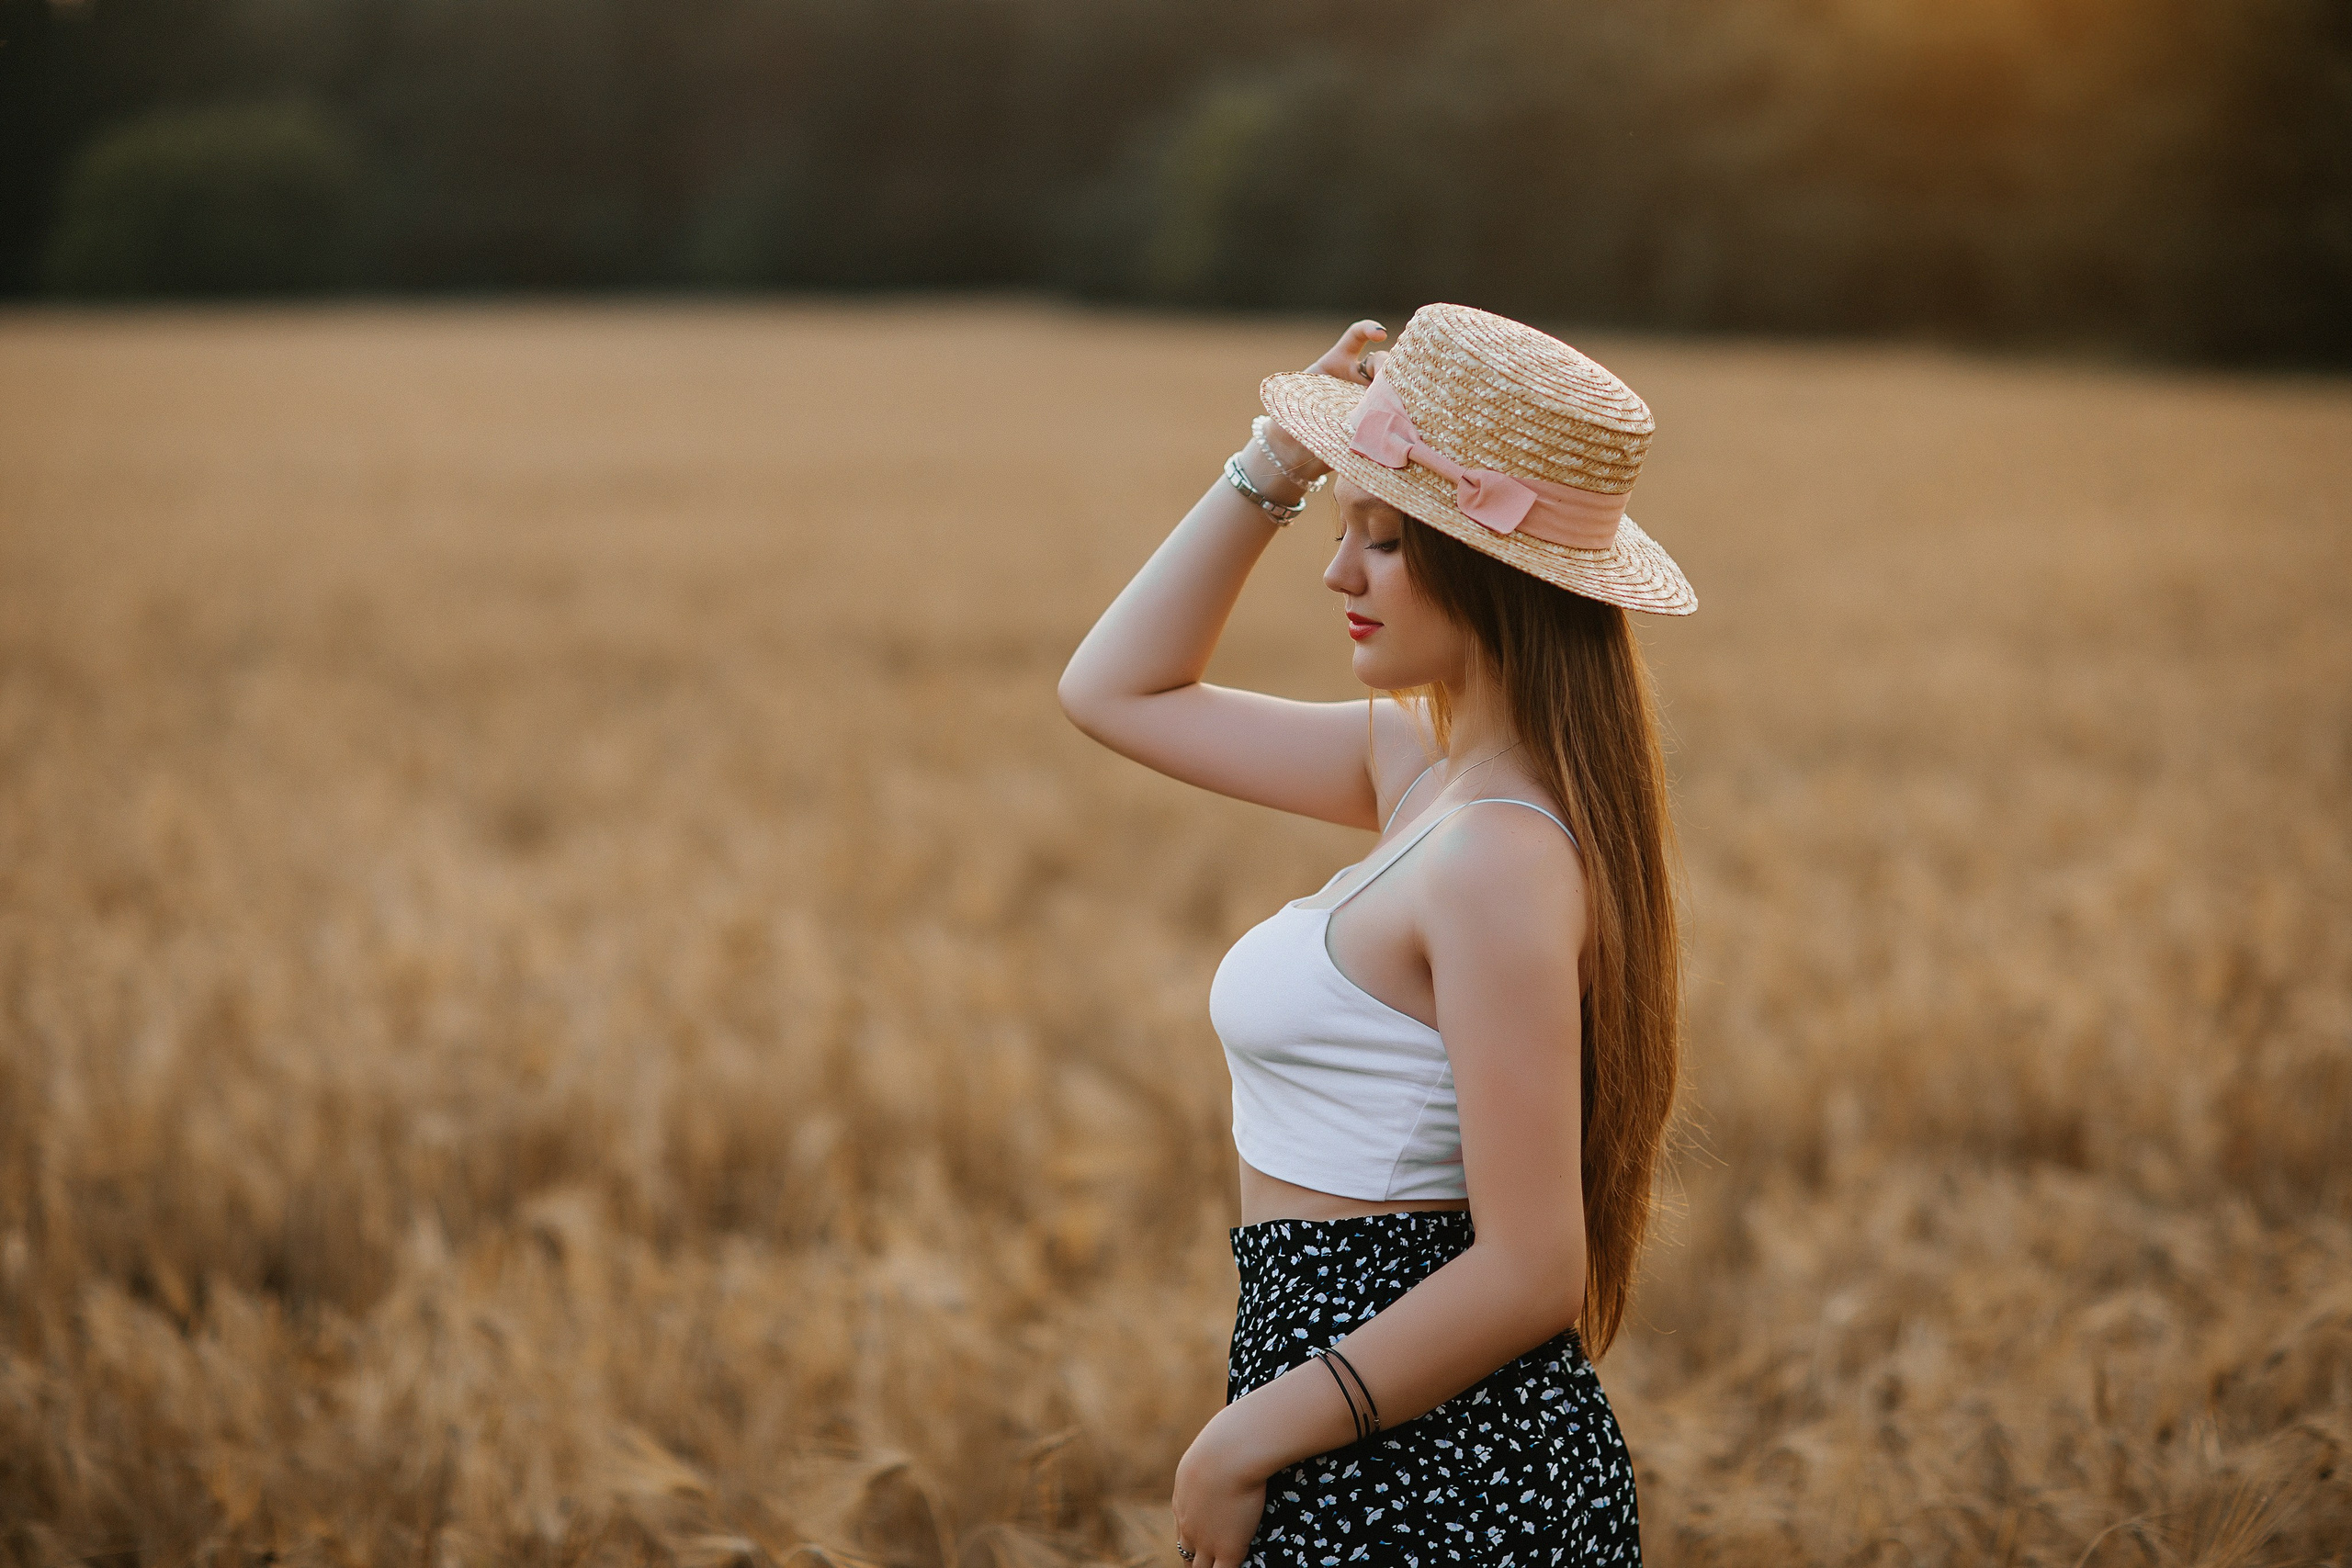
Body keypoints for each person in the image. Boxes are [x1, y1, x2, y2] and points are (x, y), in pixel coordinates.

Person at [1057, 302, 1695, 1566]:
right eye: (1346, 534)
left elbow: (1531, 1269)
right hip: (1365, 1412)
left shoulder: (1499, 857)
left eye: (1389, 542)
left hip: (1433, 1463)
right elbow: (1113, 691)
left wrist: (1245, 1438)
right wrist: (1278, 463)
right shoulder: (1430, 775)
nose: (1340, 575)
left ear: (1495, 568)